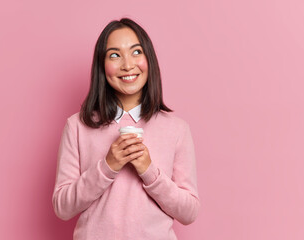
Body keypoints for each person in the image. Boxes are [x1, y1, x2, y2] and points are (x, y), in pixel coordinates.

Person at [52, 18, 200, 240]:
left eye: (136, 52)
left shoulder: (177, 130)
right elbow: (62, 207)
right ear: (102, 66)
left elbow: (189, 212)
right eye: (114, 55)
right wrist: (108, 166)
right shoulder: (77, 126)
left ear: (148, 59)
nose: (127, 65)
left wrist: (149, 171)